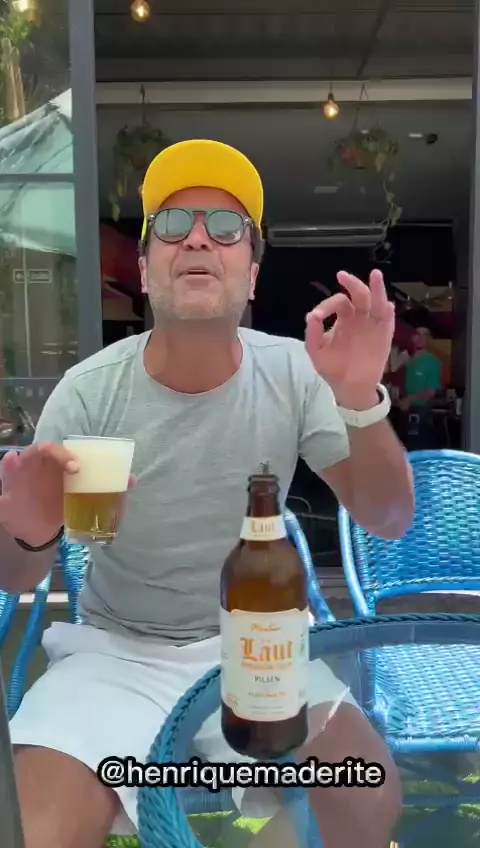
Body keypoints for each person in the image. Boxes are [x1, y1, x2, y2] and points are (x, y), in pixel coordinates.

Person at [0, 139, 415, 848]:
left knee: (369, 796)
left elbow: (390, 518)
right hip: (115, 651)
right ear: (143, 270)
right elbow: (18, 575)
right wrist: (28, 531)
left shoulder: (296, 372)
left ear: (252, 275)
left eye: (226, 228)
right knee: (35, 829)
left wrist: (359, 401)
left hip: (262, 643)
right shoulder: (87, 392)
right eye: (171, 224)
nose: (197, 238)